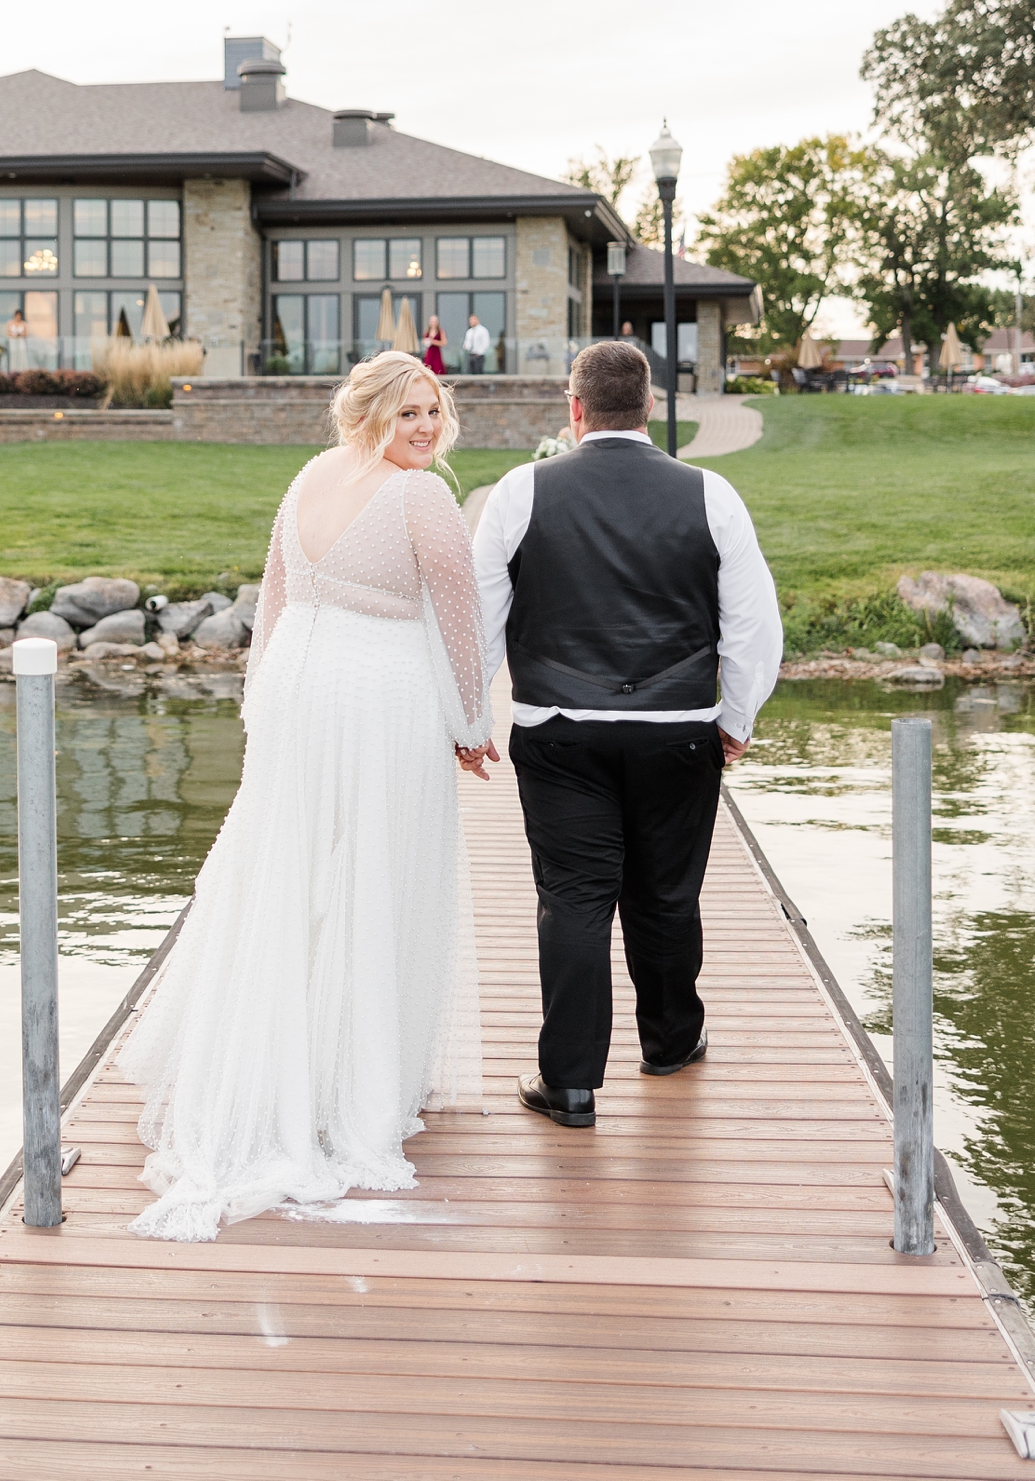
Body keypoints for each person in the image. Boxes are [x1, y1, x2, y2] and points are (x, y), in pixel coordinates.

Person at [120, 350, 496, 1242]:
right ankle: (350, 1095)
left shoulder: (310, 477)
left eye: (433, 411)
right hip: (373, 695)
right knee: (373, 873)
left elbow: (278, 596)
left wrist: (265, 699)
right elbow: (458, 615)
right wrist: (473, 721)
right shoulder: (421, 496)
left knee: (294, 867)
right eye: (409, 414)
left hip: (299, 682)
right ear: (368, 414)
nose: (426, 428)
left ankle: (291, 1069)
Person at [472, 338, 782, 1131]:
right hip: (678, 732)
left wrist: (469, 717)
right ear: (649, 406)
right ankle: (671, 1043)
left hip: (559, 730)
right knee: (667, 895)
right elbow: (752, 627)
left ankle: (570, 1085)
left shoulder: (519, 491)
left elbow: (475, 621)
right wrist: (734, 719)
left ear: (574, 409)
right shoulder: (712, 493)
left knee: (573, 900)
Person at [4, 309, 30, 375]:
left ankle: (22, 371)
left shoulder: (23, 323)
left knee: (21, 355)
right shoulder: (10, 323)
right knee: (13, 355)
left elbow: (27, 333)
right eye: (17, 315)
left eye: (19, 315)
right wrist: (14, 335)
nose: (18, 317)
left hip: (21, 341)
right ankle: (13, 370)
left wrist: (21, 334)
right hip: (13, 342)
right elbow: (8, 333)